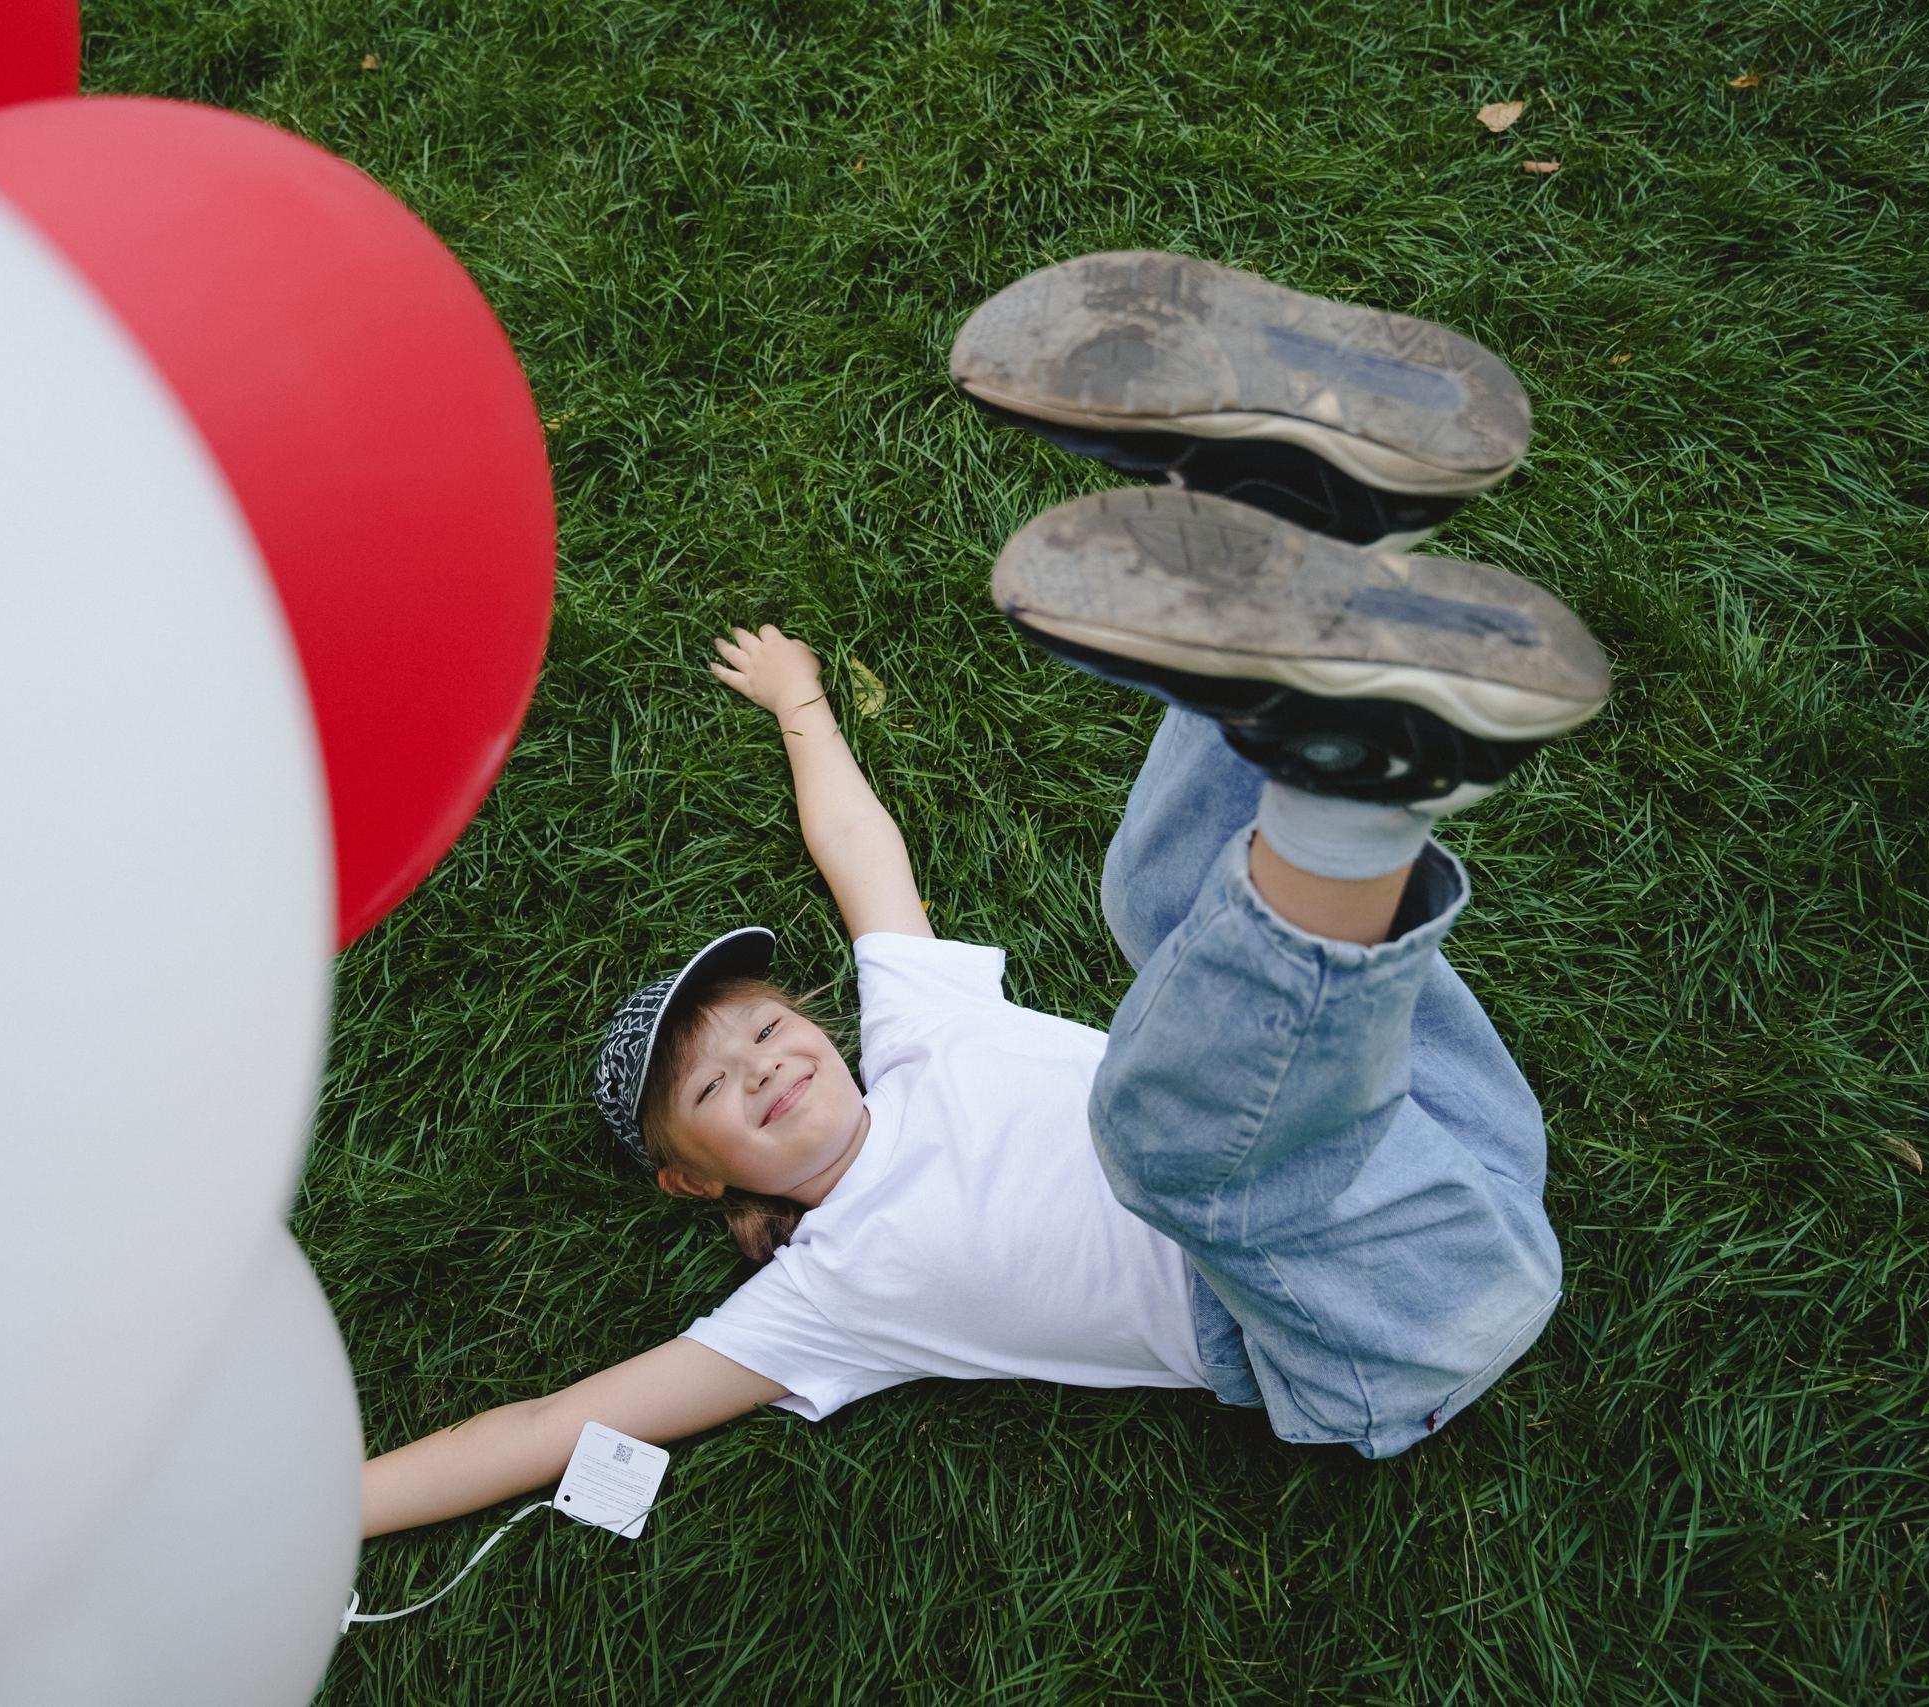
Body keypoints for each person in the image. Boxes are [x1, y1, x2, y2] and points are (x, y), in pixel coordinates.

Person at [360, 254, 1609, 1539]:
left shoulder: (917, 1029)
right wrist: (299, 1509)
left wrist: (801, 702)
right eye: (708, 1088)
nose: (759, 1064)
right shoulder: (818, 1300)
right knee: (1157, 1137)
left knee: (1148, 895)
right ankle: (1353, 785)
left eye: (759, 1026)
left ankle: (1305, 519)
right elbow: (537, 1430)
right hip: (1383, 1327)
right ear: (692, 1180)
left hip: (1435, 1138)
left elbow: (863, 861)